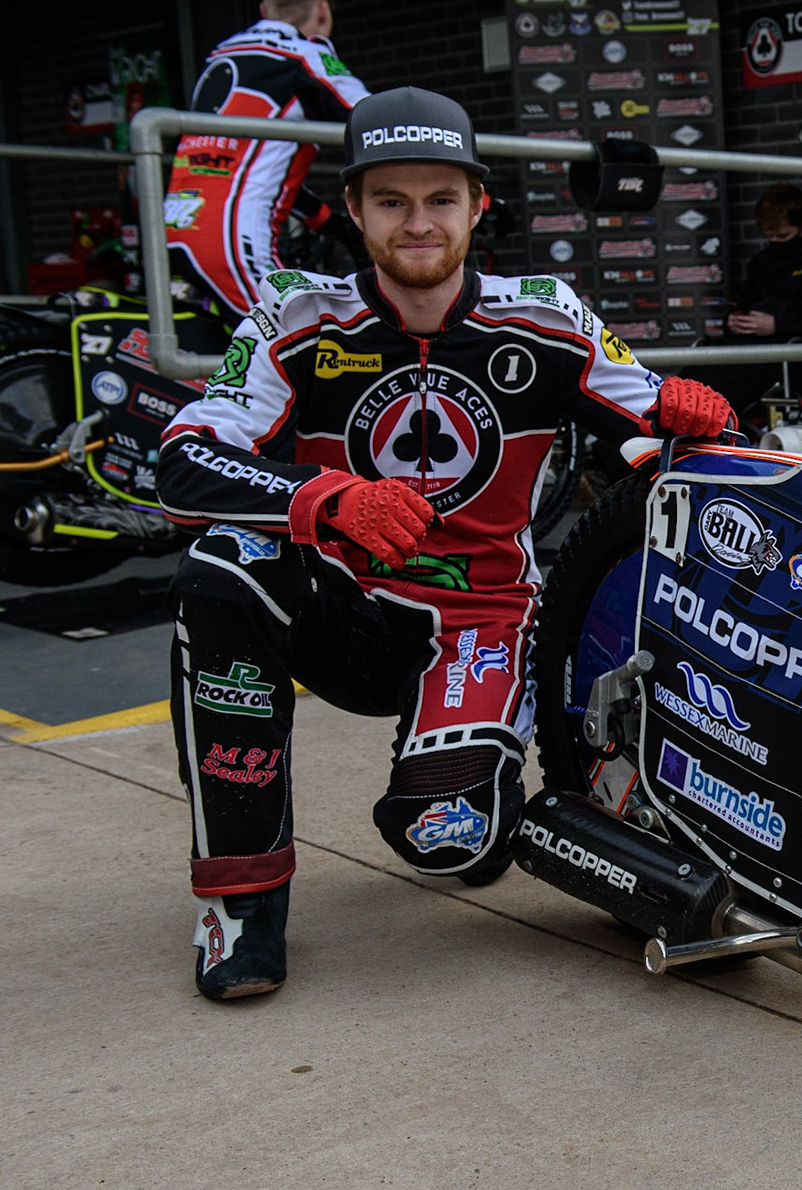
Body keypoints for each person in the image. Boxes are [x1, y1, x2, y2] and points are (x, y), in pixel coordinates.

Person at [157, 87, 736, 1000]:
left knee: (448, 842)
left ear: (477, 205)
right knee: (223, 567)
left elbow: (655, 431)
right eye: (391, 200)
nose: (417, 222)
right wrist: (326, 498)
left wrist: (696, 421)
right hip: (336, 609)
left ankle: (465, 784)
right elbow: (185, 462)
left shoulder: (545, 311)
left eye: (440, 199)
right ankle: (242, 903)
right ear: (353, 211)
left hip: (478, 621)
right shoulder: (291, 314)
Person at [165, 0, 369, 324]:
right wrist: (472, 194)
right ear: (322, 10)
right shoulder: (303, 55)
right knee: (297, 347)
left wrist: (330, 221)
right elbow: (383, 125)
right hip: (227, 242)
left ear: (263, 10)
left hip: (177, 228)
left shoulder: (220, 56)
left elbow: (248, 167)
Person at [705, 183, 802, 417]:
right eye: (770, 235)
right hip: (746, 345)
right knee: (701, 363)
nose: (776, 241)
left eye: (783, 235)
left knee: (725, 380)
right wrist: (734, 319)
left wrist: (777, 324)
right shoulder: (762, 261)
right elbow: (744, 300)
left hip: (792, 352)